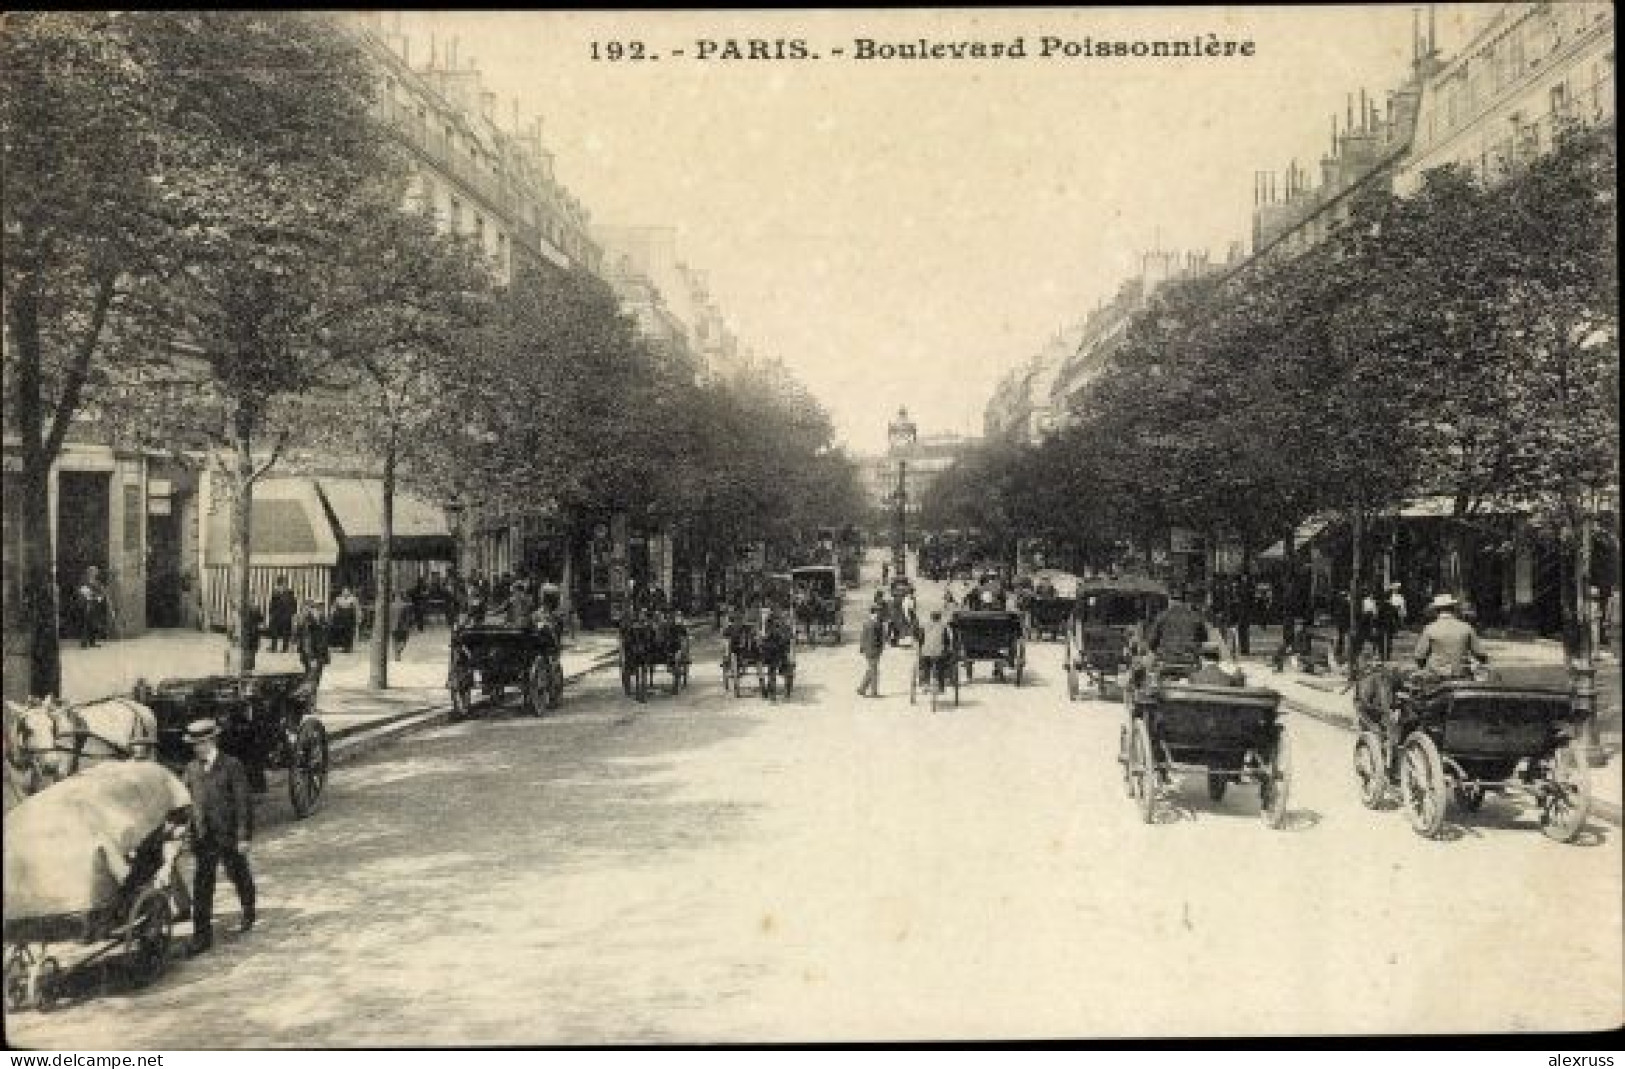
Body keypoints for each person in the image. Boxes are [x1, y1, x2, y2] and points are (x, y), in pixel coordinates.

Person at [182, 719, 256, 955]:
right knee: (202, 885)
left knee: (238, 872)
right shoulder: (191, 768)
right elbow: (186, 800)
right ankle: (201, 937)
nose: (197, 748)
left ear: (212, 741)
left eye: (201, 743)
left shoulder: (231, 765)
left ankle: (248, 909)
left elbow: (243, 803)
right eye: (194, 744)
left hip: (228, 835)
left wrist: (243, 836)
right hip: (203, 838)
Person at [1412, 593, 1489, 678]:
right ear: (1453, 608)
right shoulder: (1466, 627)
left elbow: (1419, 656)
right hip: (1462, 675)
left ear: (1436, 610)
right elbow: (1481, 655)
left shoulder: (1430, 629)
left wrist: (1424, 667)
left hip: (1437, 676)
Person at [294, 599, 330, 687]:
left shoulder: (323, 619)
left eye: (321, 608)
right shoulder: (306, 621)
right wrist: (311, 656)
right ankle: (310, 693)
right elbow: (307, 640)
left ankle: (314, 689)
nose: (319, 610)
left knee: (317, 674)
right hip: (311, 652)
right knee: (310, 674)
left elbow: (326, 636)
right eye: (316, 608)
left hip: (321, 651)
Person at [917, 609, 954, 695]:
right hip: (938, 653)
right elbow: (947, 641)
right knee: (941, 666)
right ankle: (941, 686)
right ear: (939, 618)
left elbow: (920, 640)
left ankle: (925, 683)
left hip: (926, 653)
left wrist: (920, 649)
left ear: (931, 617)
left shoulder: (925, 626)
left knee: (924, 665)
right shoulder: (943, 627)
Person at [857, 605, 886, 698]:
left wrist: (862, 648)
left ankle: (862, 689)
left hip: (869, 650)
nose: (879, 614)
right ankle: (873, 692)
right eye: (878, 612)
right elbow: (879, 638)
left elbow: (862, 636)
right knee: (874, 671)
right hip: (873, 650)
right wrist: (880, 648)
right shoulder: (876, 623)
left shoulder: (867, 623)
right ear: (874, 613)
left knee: (872, 669)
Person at [77, 566, 109, 648]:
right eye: (93, 572)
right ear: (89, 572)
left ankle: (92, 641)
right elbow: (84, 591)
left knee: (94, 623)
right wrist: (94, 595)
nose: (95, 573)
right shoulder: (84, 581)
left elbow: (102, 592)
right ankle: (83, 642)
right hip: (86, 604)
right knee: (86, 623)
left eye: (95, 572)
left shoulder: (97, 582)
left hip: (95, 604)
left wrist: (101, 596)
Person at [266, 576, 297, 654]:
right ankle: (273, 647)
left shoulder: (290, 593)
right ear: (278, 585)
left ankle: (285, 648)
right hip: (276, 616)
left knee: (286, 633)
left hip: (286, 616)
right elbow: (272, 604)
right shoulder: (275, 593)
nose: (283, 586)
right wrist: (271, 613)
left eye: (285, 584)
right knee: (274, 632)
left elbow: (294, 604)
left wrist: (292, 613)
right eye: (282, 584)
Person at [329, 587, 360, 654]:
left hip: (350, 618)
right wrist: (332, 614)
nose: (345, 593)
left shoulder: (353, 599)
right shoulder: (338, 598)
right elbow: (334, 607)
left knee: (349, 633)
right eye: (344, 591)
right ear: (342, 592)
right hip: (340, 618)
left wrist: (358, 617)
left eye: (347, 591)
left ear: (349, 592)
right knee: (341, 632)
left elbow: (357, 608)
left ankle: (348, 647)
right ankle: (341, 646)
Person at [389, 590, 413, 661]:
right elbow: (408, 618)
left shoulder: (391, 606)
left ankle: (397, 654)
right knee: (404, 640)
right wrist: (410, 625)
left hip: (393, 626)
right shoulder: (405, 606)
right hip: (403, 627)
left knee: (394, 641)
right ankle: (399, 650)